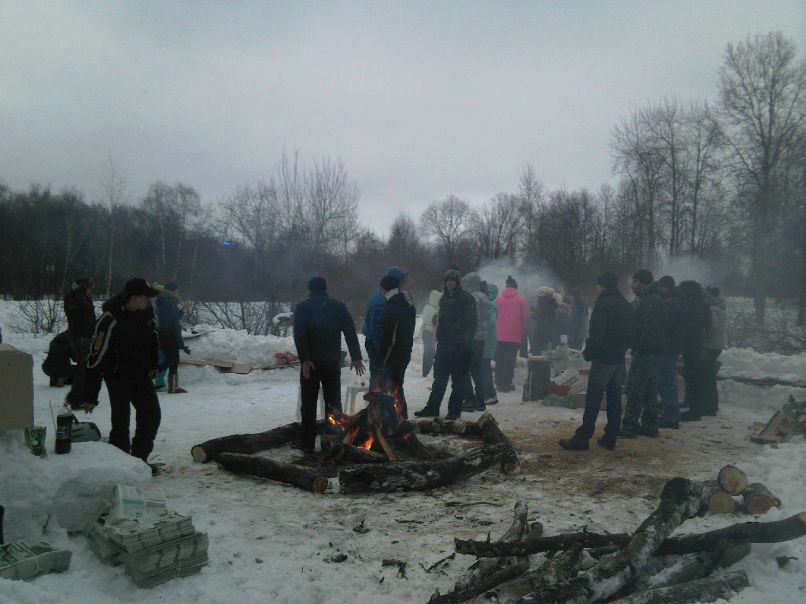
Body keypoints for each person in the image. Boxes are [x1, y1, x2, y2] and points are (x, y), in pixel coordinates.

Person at [83, 278, 162, 469]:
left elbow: (153, 338)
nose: (150, 301)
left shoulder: (146, 314)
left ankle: (140, 461)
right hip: (117, 377)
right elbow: (96, 358)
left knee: (151, 415)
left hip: (141, 375)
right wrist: (90, 396)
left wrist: (153, 364)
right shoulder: (110, 320)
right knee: (121, 421)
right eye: (146, 297)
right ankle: (121, 465)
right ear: (135, 298)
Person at [559, 271, 633, 451]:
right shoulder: (625, 303)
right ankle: (610, 437)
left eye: (598, 285)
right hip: (618, 359)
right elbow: (631, 331)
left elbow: (597, 334)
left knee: (593, 398)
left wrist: (588, 353)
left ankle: (582, 438)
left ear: (602, 285)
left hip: (604, 358)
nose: (596, 288)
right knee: (614, 398)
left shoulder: (603, 304)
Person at [293, 277, 365, 452]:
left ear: (310, 290)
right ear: (325, 289)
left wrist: (305, 359)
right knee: (333, 403)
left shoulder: (303, 307)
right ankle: (332, 442)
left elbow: (299, 335)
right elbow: (350, 332)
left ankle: (307, 444)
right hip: (332, 362)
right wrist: (356, 356)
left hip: (311, 363)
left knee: (308, 404)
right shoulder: (338, 307)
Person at [414, 270, 476, 420]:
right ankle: (432, 408)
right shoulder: (444, 299)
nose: (449, 283)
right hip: (444, 345)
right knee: (439, 379)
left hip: (460, 346)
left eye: (452, 280)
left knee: (458, 380)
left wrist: (466, 345)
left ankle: (454, 411)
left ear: (457, 282)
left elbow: (472, 324)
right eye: (447, 280)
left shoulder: (466, 298)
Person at [621, 269, 665, 439]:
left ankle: (630, 426)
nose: (632, 285)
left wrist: (636, 345)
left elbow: (648, 329)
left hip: (646, 351)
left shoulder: (650, 301)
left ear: (643, 282)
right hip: (651, 350)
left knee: (634, 388)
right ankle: (650, 425)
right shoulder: (650, 299)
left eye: (635, 282)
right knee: (649, 389)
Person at [378, 274, 416, 417]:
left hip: (394, 355)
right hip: (405, 352)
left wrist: (383, 359)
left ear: (386, 289)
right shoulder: (407, 305)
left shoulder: (392, 307)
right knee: (397, 387)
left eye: (382, 289)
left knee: (392, 389)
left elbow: (389, 338)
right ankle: (400, 419)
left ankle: (396, 420)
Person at [363, 266, 407, 386]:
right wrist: (383, 353)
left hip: (377, 342)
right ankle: (376, 396)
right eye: (402, 281)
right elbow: (377, 329)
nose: (404, 284)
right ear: (395, 282)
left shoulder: (383, 292)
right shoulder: (381, 300)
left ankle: (378, 394)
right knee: (379, 375)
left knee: (380, 374)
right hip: (376, 343)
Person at [679, 280, 712, 422]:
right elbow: (708, 325)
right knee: (695, 377)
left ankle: (694, 411)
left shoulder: (689, 305)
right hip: (697, 344)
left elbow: (685, 325)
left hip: (690, 345)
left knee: (692, 377)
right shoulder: (703, 305)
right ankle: (695, 407)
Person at [656, 276, 686, 429]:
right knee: (667, 381)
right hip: (672, 346)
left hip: (667, 347)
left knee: (665, 382)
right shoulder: (678, 301)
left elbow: (665, 325)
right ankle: (671, 416)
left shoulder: (670, 304)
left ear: (664, 287)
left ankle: (671, 418)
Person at [63, 278, 96, 409]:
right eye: (89, 289)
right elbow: (84, 310)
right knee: (83, 368)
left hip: (83, 336)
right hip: (81, 337)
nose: (90, 291)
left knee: (84, 368)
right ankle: (76, 399)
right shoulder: (76, 300)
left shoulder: (78, 299)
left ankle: (78, 397)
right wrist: (80, 293)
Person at [461, 272, 491, 413]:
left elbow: (471, 319)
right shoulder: (484, 297)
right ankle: (480, 400)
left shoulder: (472, 297)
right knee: (477, 371)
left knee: (464, 370)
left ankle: (470, 399)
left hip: (471, 339)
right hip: (481, 338)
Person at [154, 282, 190, 394]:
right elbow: (172, 320)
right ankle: (149, 376)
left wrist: (182, 310)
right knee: (171, 359)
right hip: (169, 334)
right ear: (173, 291)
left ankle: (173, 387)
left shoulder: (164, 300)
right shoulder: (168, 301)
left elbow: (172, 317)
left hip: (166, 333)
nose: (178, 292)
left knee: (174, 359)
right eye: (177, 290)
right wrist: (178, 339)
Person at [494, 276, 529, 392]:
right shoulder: (521, 300)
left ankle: (498, 380)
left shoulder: (498, 299)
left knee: (500, 358)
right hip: (514, 335)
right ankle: (506, 383)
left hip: (500, 334)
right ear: (516, 287)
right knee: (510, 359)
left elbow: (495, 315)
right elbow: (525, 317)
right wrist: (524, 330)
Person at [702, 286, 726, 416]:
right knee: (710, 375)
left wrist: (703, 337)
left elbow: (713, 327)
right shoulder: (720, 308)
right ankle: (711, 405)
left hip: (710, 345)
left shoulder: (712, 310)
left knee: (707, 376)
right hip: (718, 344)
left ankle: (710, 406)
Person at [482, 282, 499, 406]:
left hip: (486, 341)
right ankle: (487, 393)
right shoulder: (491, 303)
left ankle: (490, 394)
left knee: (484, 367)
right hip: (488, 340)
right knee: (484, 367)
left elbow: (491, 322)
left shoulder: (489, 305)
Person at [531, 287, 558, 355]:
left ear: (545, 298)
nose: (538, 300)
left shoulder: (546, 307)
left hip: (542, 335)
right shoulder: (551, 305)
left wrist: (534, 311)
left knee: (539, 355)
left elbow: (536, 316)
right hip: (547, 334)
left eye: (539, 298)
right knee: (544, 354)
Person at [421, 289, 441, 377]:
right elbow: (436, 324)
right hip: (431, 333)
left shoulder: (426, 307)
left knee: (427, 353)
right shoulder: (435, 311)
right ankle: (427, 372)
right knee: (430, 353)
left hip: (425, 332)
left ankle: (425, 372)